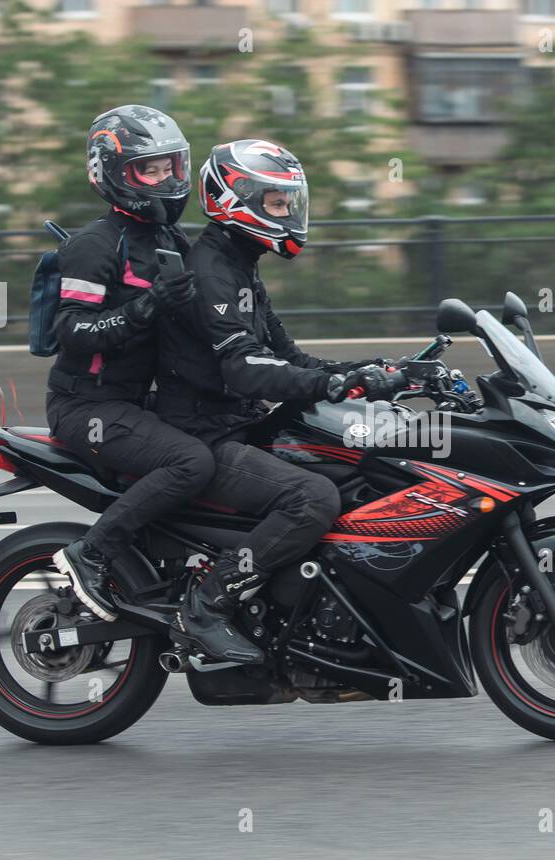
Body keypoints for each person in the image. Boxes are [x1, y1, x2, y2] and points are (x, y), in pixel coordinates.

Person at [155, 139, 404, 664]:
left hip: (238, 425)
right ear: (234, 197)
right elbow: (244, 368)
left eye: (289, 202)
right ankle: (206, 606)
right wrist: (331, 386)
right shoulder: (210, 270)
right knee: (312, 499)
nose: (287, 213)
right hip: (204, 432)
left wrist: (371, 373)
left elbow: (286, 356)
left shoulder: (240, 263)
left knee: (358, 471)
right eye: (275, 202)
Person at [47, 105, 215, 623]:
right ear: (115, 173)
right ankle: (90, 553)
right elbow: (70, 332)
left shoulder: (168, 239)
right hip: (86, 405)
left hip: (137, 402)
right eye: (151, 170)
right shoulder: (94, 246)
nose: (166, 180)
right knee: (192, 463)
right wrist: (147, 306)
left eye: (171, 167)